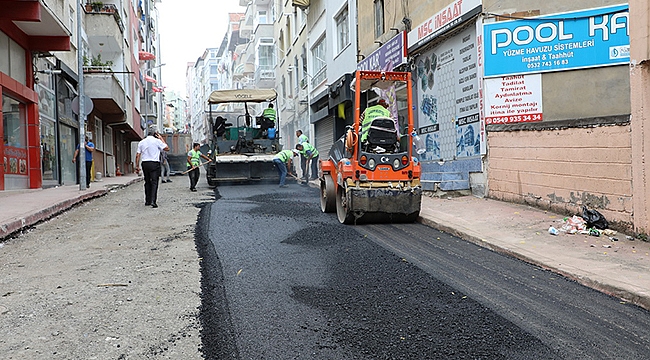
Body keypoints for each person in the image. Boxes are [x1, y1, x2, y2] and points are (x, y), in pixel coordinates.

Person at [135, 126, 169, 208]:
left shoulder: (142, 142)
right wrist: (161, 138)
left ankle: (147, 200)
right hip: (154, 163)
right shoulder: (157, 141)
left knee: (147, 182)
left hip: (145, 163)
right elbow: (167, 148)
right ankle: (153, 201)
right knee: (154, 182)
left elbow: (137, 155)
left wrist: (137, 166)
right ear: (155, 133)